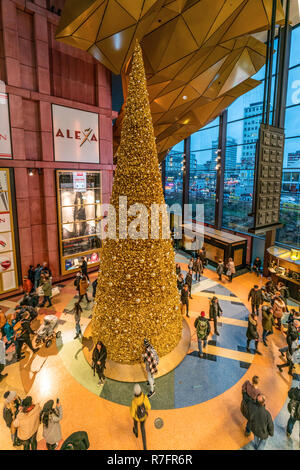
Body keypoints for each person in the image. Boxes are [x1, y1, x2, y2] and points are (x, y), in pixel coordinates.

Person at [130, 384, 151, 451]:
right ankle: (145, 447)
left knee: (135, 424)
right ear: (141, 391)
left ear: (134, 393)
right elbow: (149, 407)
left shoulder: (134, 402)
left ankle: (136, 432)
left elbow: (132, 414)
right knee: (143, 429)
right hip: (144, 417)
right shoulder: (145, 398)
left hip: (137, 418)